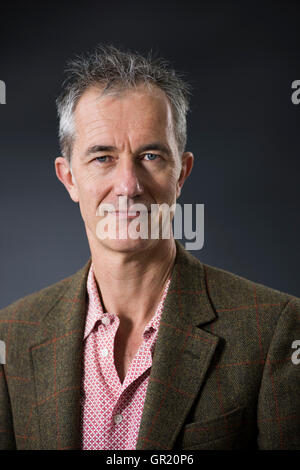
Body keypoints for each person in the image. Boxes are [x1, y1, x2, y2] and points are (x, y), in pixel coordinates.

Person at [0, 45, 299, 451]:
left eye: (151, 155)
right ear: (68, 177)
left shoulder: (274, 330)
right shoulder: (11, 336)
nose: (128, 185)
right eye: (103, 157)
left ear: (181, 174)